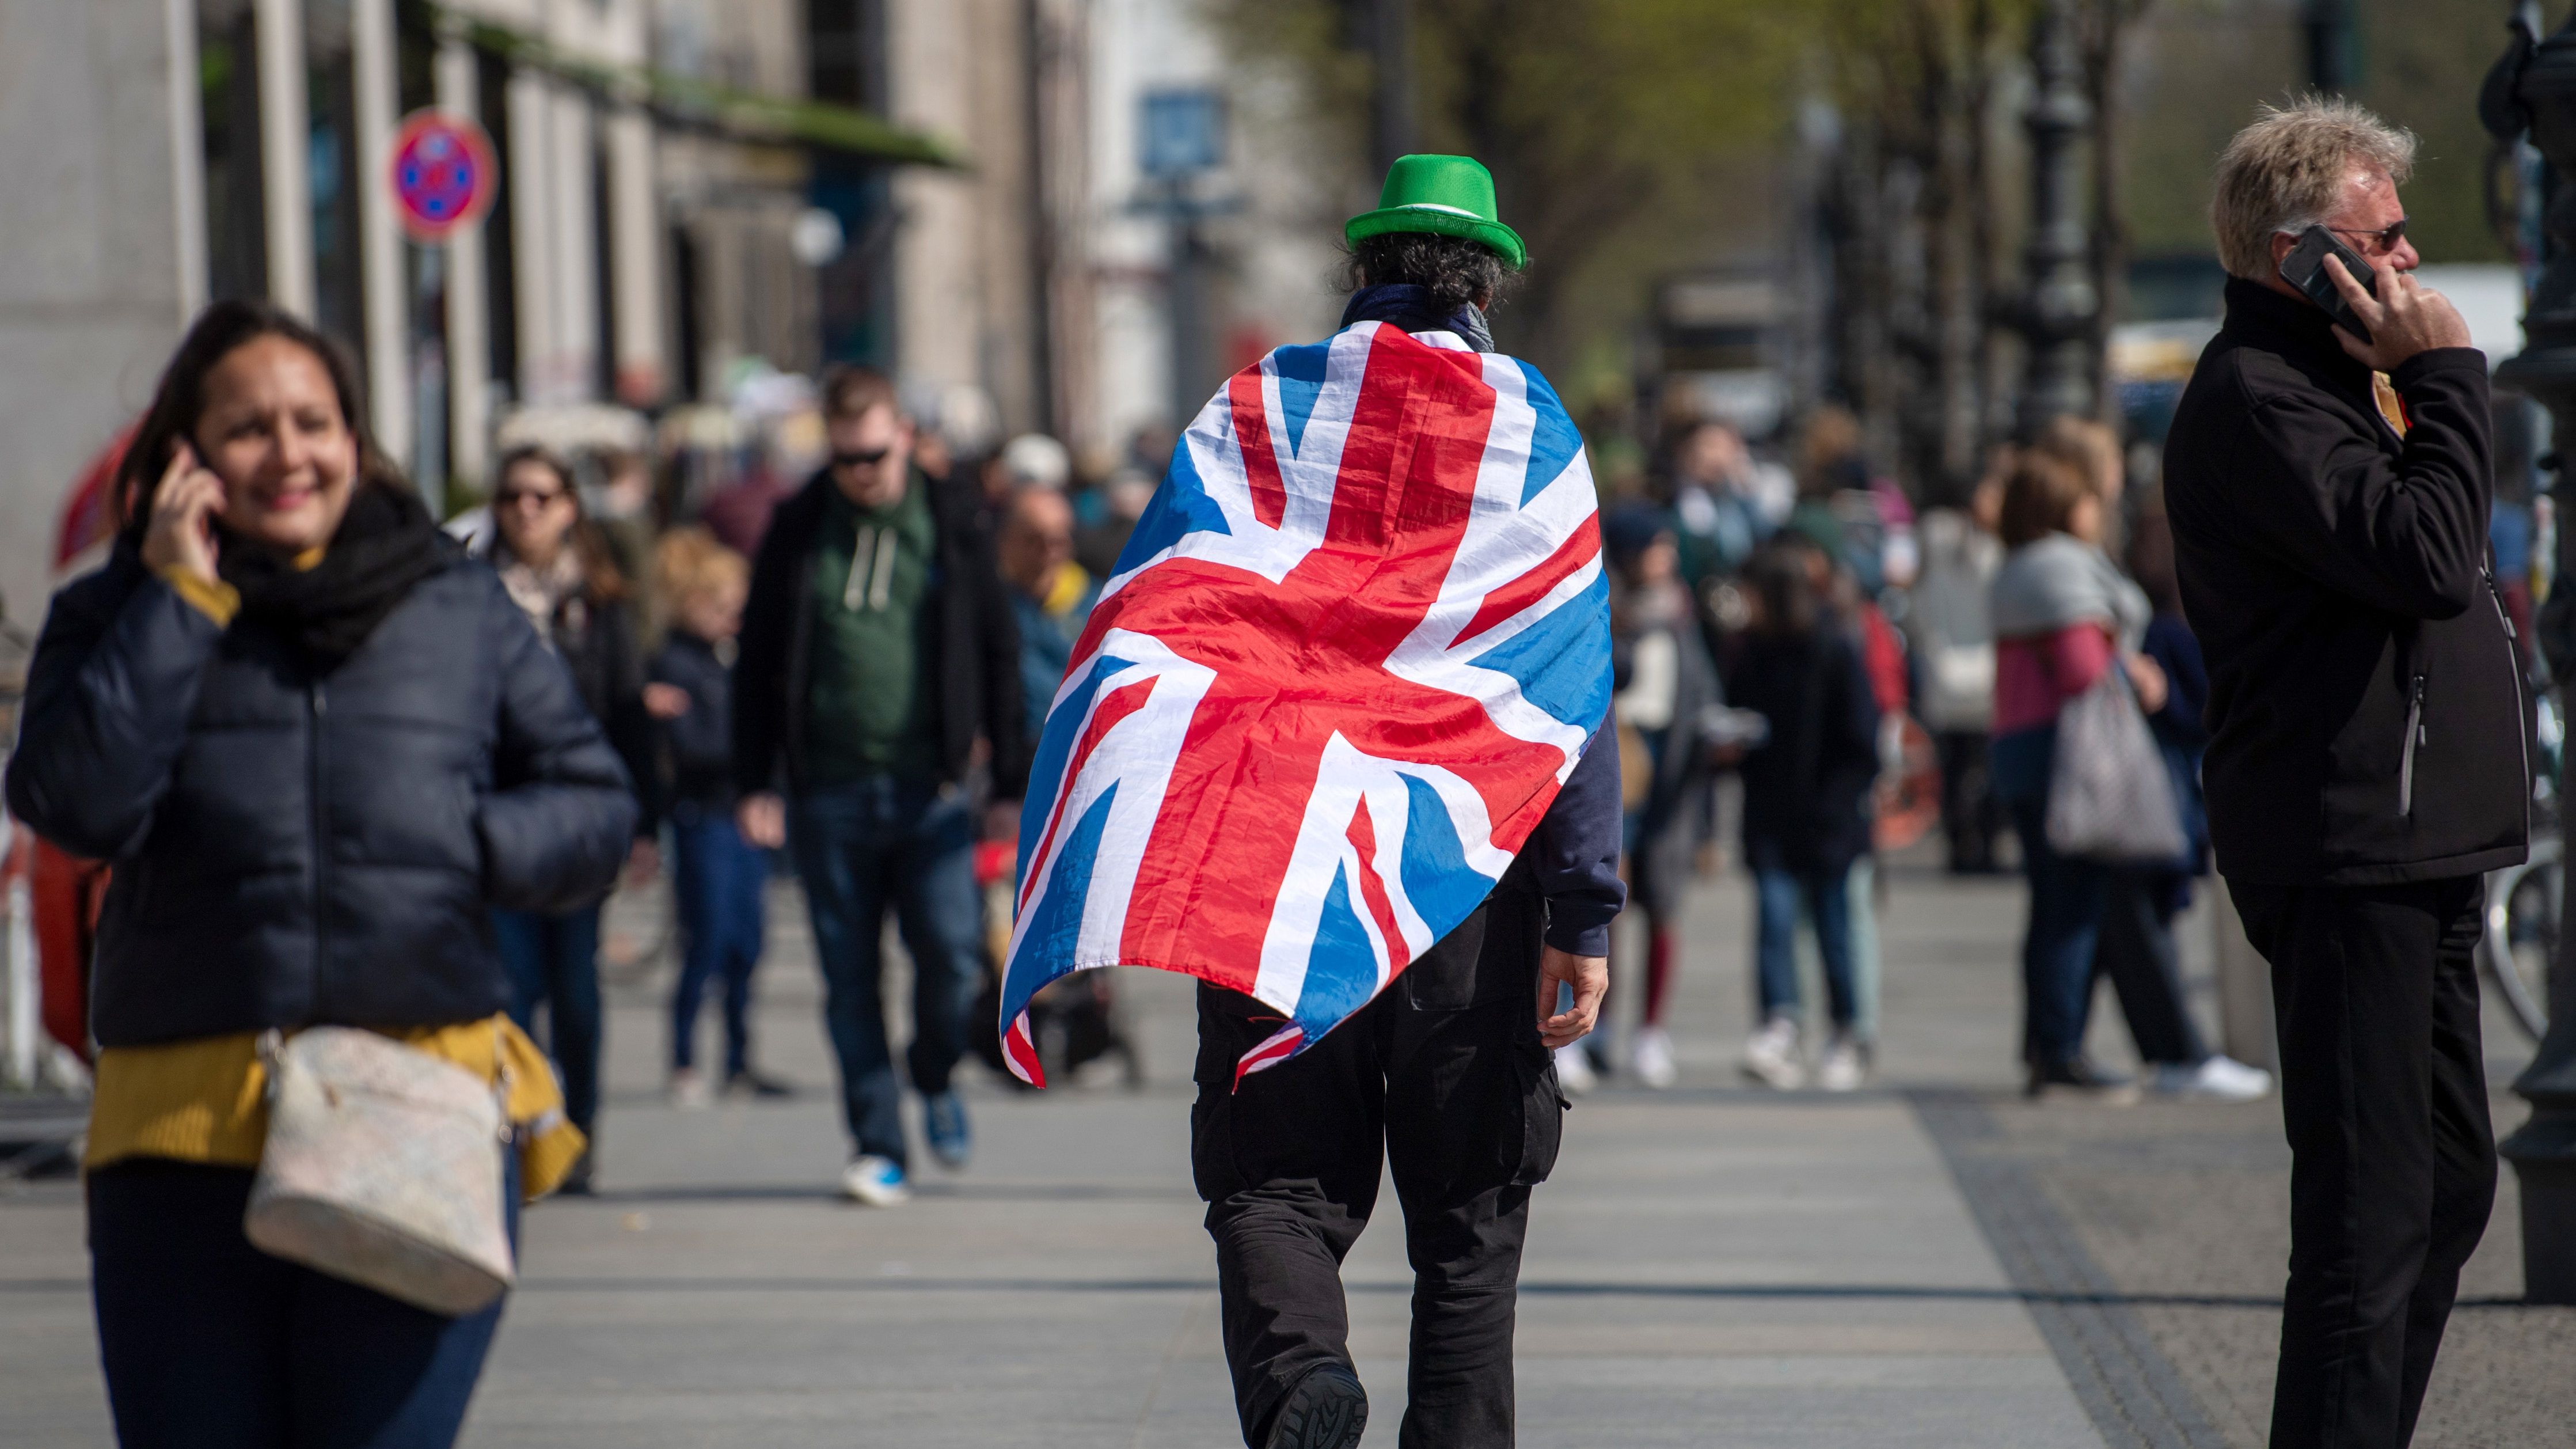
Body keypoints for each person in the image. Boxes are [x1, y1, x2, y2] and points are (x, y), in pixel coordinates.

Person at [5, 298, 629, 1447]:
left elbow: (594, 807)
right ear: (184, 454)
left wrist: (468, 842)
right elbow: (74, 805)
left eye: (313, 421)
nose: (288, 453)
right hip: (178, 1144)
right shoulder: (113, 615)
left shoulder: (452, 604)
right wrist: (180, 604)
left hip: (412, 1116)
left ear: (354, 438)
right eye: (248, 428)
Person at [1173, 154, 1623, 1449]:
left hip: (1280, 864)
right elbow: (1571, 684)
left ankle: (1300, 1371)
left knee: (1273, 1175)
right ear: (1485, 282)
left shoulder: (1258, 410)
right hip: (1466, 871)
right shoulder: (1528, 428)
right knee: (1469, 1224)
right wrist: (1582, 910)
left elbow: (1169, 626)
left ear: (1362, 273)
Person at [2164, 100, 2524, 1449]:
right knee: (2368, 1224)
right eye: (2382, 238)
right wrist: (2447, 381)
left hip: (2419, 842)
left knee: (2442, 1186)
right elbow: (2427, 555)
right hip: (2349, 848)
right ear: (2296, 256)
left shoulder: (2329, 382)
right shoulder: (2257, 398)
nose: (2410, 262)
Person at [734, 363, 1026, 1208]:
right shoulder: (798, 527)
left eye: (871, 455)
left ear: (902, 434)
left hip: (930, 792)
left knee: (950, 957)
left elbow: (998, 650)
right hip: (827, 791)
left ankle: (932, 1072)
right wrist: (755, 780)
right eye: (844, 459)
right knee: (850, 979)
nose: (860, 474)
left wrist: (1008, 776)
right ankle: (877, 1143)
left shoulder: (950, 519)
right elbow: (757, 662)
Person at [472, 445, 658, 1193]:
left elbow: (628, 713)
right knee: (513, 991)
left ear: (570, 508)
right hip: (500, 817)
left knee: (576, 994)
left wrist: (644, 823)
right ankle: (523, 1138)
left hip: (578, 823)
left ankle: (577, 1134)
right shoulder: (469, 596)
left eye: (542, 497)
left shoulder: (599, 604)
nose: (527, 510)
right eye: (514, 496)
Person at [1987, 450, 2165, 1098]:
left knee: (2048, 902)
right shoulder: (2057, 567)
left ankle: (2044, 1043)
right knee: (2070, 906)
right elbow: (2081, 666)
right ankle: (2061, 1048)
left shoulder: (2014, 566)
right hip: (2062, 751)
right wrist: (2133, 668)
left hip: (2020, 745)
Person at [2108, 503, 2273, 1102]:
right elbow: (2200, 711)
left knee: (2139, 922)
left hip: (2173, 788)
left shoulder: (2163, 628)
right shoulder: (2186, 627)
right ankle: (2182, 1051)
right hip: (2174, 791)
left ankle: (2176, 1050)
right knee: (2152, 919)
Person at [1726, 538, 1881, 1093]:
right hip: (1771, 819)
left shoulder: (1834, 650)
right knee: (1773, 921)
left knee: (1837, 931)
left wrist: (1834, 808)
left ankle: (1847, 1034)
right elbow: (1738, 714)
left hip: (1830, 824)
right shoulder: (1750, 651)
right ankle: (1780, 1023)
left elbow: (1864, 743)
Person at [647, 528, 792, 1108]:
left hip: (744, 816)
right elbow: (696, 745)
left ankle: (738, 1058)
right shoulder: (674, 661)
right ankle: (684, 1058)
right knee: (703, 939)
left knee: (746, 942)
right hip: (701, 813)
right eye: (722, 604)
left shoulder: (736, 656)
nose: (734, 613)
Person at [1601, 503, 1718, 1090]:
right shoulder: (1603, 609)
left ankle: (1651, 1031)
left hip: (1672, 778)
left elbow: (1700, 693)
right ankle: (1596, 1027)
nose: (1667, 558)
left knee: (1663, 905)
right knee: (1602, 906)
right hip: (1614, 772)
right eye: (1657, 546)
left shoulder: (1681, 614)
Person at [1909, 458, 2008, 874]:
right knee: (1986, 766)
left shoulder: (1928, 549)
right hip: (1987, 670)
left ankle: (1957, 843)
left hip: (1942, 670)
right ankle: (1984, 842)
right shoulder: (1990, 548)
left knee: (1951, 765)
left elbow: (1918, 613)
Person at [997, 484, 1099, 743]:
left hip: (1069, 749)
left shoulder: (1097, 607)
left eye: (1057, 540)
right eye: (1034, 539)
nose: (1047, 552)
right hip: (1008, 751)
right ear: (1007, 540)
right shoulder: (992, 602)